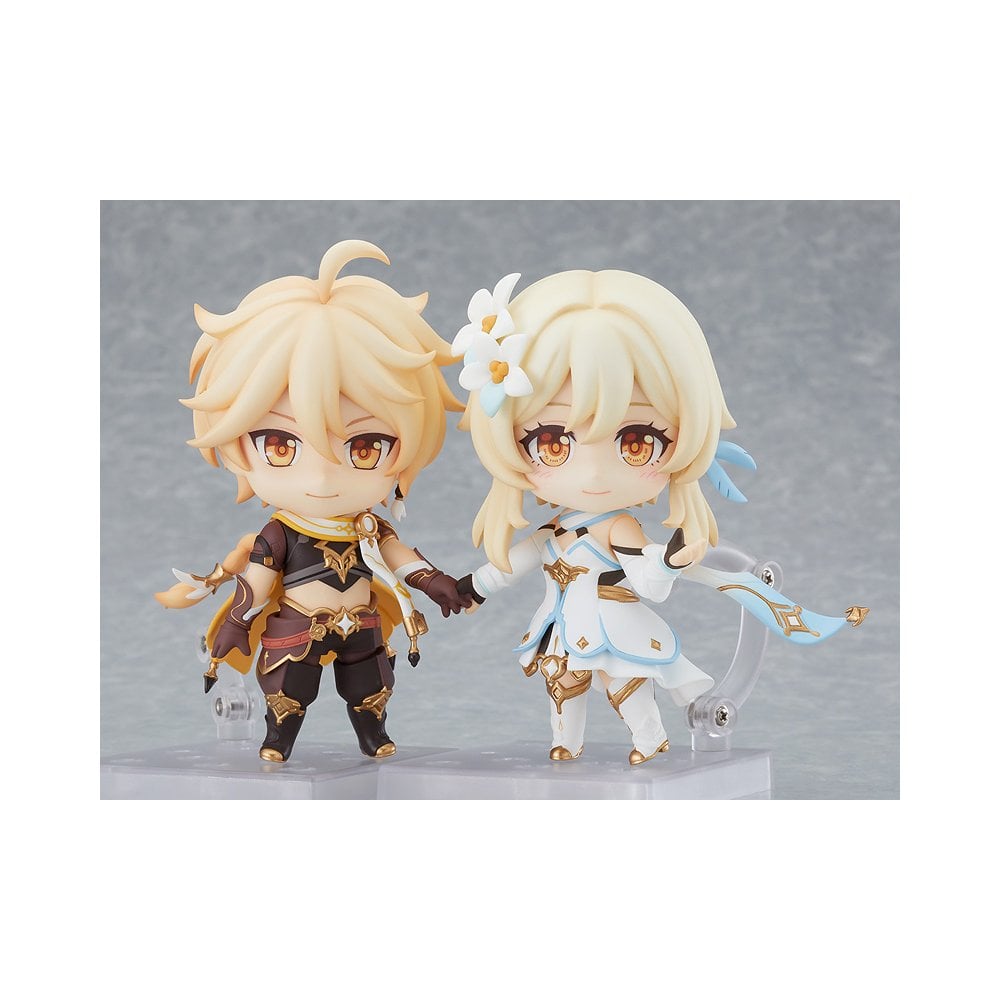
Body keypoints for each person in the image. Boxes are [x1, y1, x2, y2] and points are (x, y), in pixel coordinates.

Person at [156, 240, 471, 762]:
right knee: (288, 689)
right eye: (281, 446)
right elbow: (258, 580)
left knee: (371, 686)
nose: (322, 476)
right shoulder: (280, 533)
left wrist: (435, 582)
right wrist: (238, 621)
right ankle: (279, 736)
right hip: (298, 623)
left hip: (362, 623)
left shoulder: (370, 528)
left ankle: (372, 732)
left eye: (365, 447)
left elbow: (400, 558)